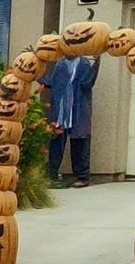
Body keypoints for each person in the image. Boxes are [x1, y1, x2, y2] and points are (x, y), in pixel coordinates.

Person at [41, 52, 99, 187]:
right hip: (60, 112)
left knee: (80, 142)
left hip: (78, 109)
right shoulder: (60, 64)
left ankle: (82, 177)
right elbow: (52, 82)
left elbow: (87, 83)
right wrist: (37, 69)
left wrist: (97, 64)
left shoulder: (84, 63)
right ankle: (52, 175)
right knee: (55, 144)